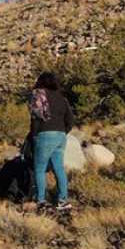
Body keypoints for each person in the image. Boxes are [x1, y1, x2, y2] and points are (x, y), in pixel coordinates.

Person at [29, 72, 75, 211]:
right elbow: (70, 120)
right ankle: (63, 201)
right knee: (59, 168)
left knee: (39, 169)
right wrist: (62, 132)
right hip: (60, 136)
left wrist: (34, 135)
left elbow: (36, 118)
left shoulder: (38, 94)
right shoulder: (62, 98)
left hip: (44, 134)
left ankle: (41, 201)